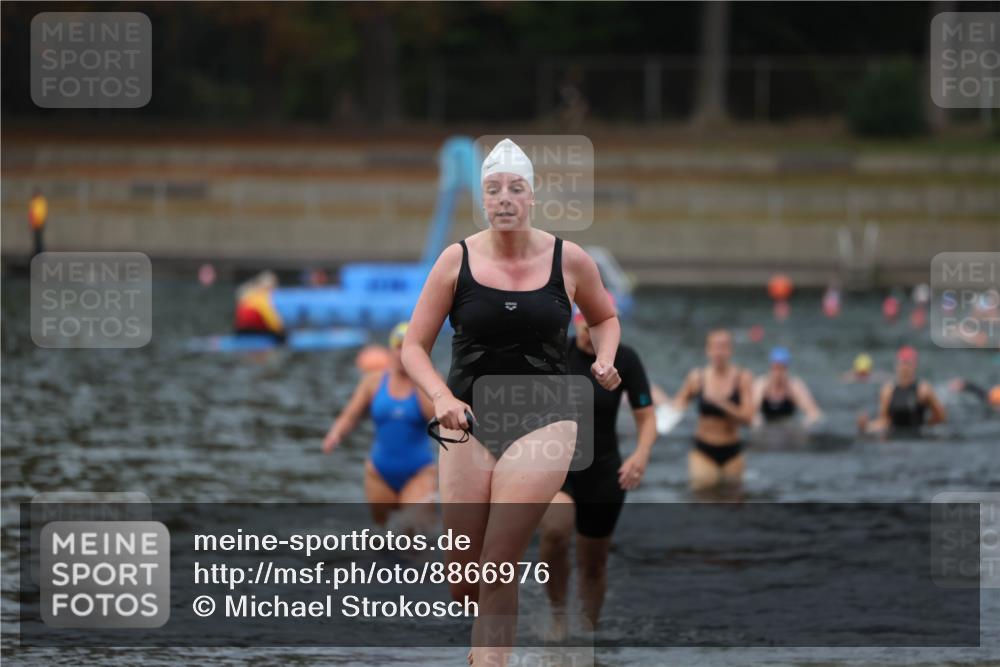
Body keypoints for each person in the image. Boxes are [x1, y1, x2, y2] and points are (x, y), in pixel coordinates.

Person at [400, 138, 621, 666]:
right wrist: (440, 397)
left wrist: (605, 358)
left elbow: (606, 318)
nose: (503, 198)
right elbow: (413, 346)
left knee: (499, 562)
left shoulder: (570, 260)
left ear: (531, 196)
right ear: (483, 199)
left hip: (544, 422)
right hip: (467, 421)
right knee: (464, 580)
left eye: (514, 189)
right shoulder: (457, 260)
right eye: (493, 189)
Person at [538, 296, 657, 639]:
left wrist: (641, 454)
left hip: (604, 470)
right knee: (556, 530)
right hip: (557, 466)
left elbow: (646, 418)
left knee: (593, 564)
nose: (589, 332)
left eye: (597, 325)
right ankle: (559, 615)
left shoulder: (626, 360)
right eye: (583, 324)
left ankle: (588, 633)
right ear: (574, 322)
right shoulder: (557, 352)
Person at [323, 322, 436, 526]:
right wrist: (335, 434)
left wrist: (419, 376)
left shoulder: (429, 383)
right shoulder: (373, 382)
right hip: (379, 472)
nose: (403, 354)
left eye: (409, 348)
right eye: (399, 347)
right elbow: (350, 415)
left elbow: (438, 419)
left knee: (413, 532)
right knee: (382, 537)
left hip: (418, 472)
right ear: (391, 350)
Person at [673, 329, 754, 491]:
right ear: (708, 350)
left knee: (734, 500)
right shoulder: (697, 377)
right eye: (715, 347)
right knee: (704, 496)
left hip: (732, 451)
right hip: (704, 451)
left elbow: (748, 418)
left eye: (723, 347)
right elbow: (676, 406)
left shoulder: (742, 378)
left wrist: (723, 404)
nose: (719, 352)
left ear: (730, 350)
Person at [857, 346, 947, 436]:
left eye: (908, 364)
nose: (905, 368)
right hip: (894, 436)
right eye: (902, 363)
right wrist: (866, 426)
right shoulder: (887, 391)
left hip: (918, 437)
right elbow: (884, 421)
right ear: (896, 365)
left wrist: (926, 426)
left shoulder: (923, 390)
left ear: (914, 366)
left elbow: (940, 417)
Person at [752, 347, 822, 427]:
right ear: (771, 367)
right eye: (776, 368)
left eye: (782, 368)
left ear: (787, 369)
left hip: (787, 424)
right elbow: (751, 412)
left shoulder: (794, 385)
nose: (778, 373)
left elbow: (815, 413)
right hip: (767, 423)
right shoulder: (761, 384)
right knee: (756, 421)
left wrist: (804, 425)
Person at [233, 270, 285, 343]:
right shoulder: (263, 296)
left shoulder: (246, 294)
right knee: (283, 337)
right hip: (255, 331)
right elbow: (273, 320)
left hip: (240, 332)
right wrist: (281, 331)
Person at [28, 188, 47, 257]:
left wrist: (39, 221)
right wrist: (32, 222)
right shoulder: (34, 201)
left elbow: (41, 213)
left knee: (39, 240)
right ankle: (37, 252)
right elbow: (31, 213)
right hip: (35, 224)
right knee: (36, 240)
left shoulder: (41, 201)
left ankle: (39, 253)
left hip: (39, 223)